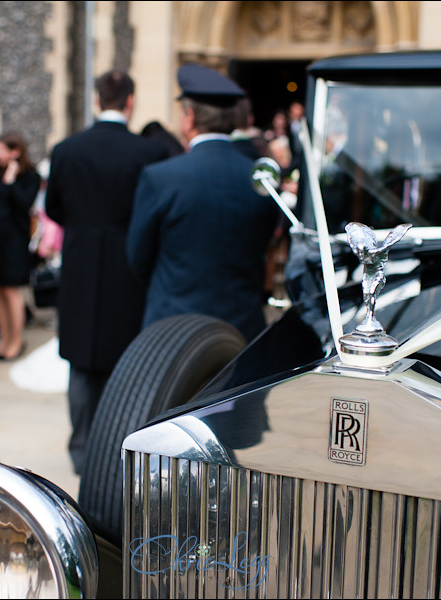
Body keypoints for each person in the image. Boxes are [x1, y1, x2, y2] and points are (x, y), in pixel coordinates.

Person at [46, 68, 169, 475]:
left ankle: (82, 450)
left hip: (80, 263)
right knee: (125, 361)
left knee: (81, 363)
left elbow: (53, 210)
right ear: (130, 102)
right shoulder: (148, 153)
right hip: (128, 268)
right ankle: (120, 448)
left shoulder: (66, 150)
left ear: (98, 99)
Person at [127, 63, 280, 342]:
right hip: (241, 327)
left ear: (189, 118)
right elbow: (264, 245)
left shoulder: (160, 177)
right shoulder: (259, 178)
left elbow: (138, 257)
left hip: (172, 327)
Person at [0, 132, 41, 361]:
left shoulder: (29, 175)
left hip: (14, 240)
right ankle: (4, 339)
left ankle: (16, 340)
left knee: (11, 290)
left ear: (15, 152)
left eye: (2, 149)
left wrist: (12, 181)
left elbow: (24, 203)